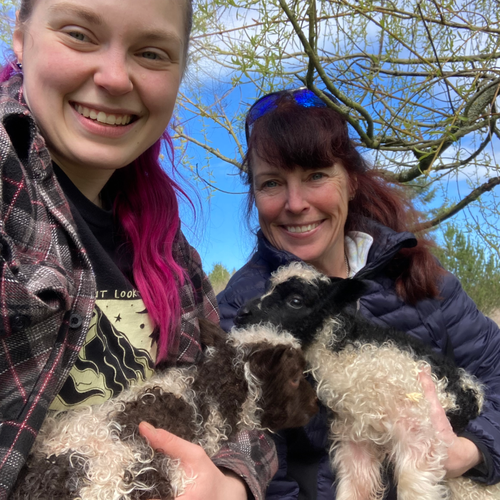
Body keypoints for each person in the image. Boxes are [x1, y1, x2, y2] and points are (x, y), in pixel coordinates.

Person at [0, 0, 277, 498]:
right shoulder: (8, 186)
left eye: (151, 53)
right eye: (80, 35)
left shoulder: (167, 242)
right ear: (21, 36)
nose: (113, 78)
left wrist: (232, 482)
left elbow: (234, 398)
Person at [217, 88, 500, 499]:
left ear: (350, 182)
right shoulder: (242, 312)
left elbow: (495, 369)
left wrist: (471, 450)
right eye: (272, 183)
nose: (295, 204)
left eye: (315, 176)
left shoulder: (418, 275)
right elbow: (259, 471)